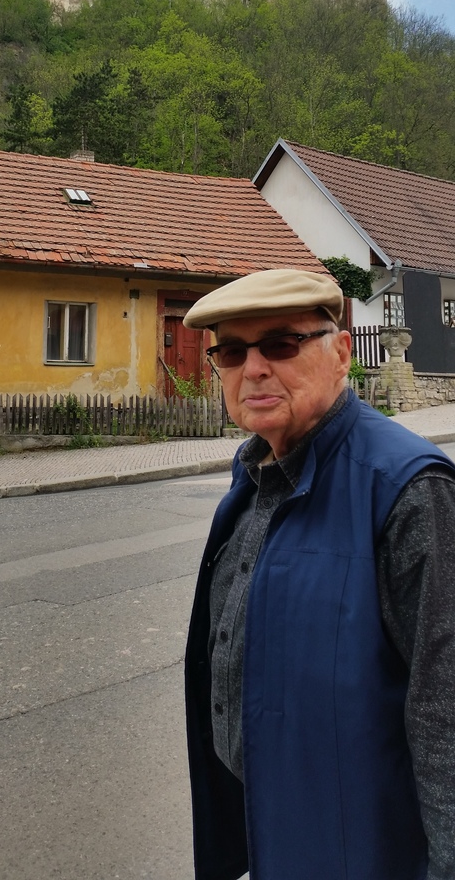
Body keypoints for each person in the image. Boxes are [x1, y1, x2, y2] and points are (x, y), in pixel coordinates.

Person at [183, 268, 455, 880]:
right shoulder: (253, 472)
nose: (252, 368)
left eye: (279, 344)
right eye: (230, 351)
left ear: (339, 353)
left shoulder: (407, 489)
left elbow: (446, 714)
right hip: (273, 829)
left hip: (363, 847)